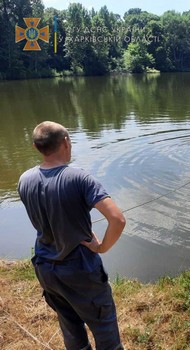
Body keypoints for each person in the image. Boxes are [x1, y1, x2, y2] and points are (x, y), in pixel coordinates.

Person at [17, 121, 126, 350]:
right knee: (104, 328)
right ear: (66, 142)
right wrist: (102, 247)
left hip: (46, 269)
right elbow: (117, 219)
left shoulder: (24, 179)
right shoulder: (80, 178)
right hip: (80, 270)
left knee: (71, 329)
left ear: (37, 147)